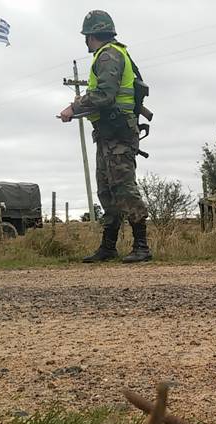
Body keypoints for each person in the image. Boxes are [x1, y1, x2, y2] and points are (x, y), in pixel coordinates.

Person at [58, 10, 151, 264]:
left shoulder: (109, 55)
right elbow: (103, 97)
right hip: (108, 134)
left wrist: (73, 107)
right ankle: (108, 247)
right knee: (107, 190)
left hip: (118, 133)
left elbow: (104, 96)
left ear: (91, 35)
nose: (85, 41)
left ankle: (142, 246)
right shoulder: (109, 54)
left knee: (124, 188)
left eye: (86, 36)